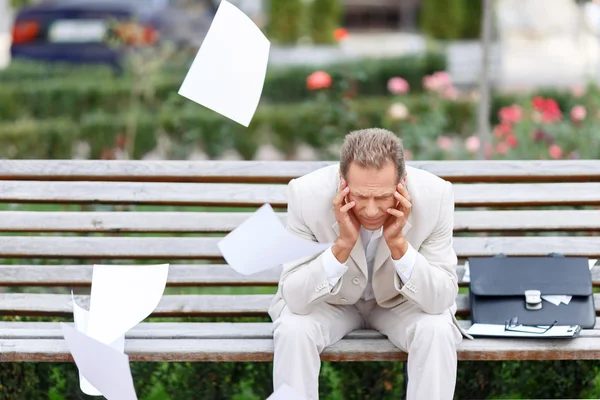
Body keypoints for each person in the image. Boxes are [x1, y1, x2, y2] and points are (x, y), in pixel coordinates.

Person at [268, 128, 471, 400]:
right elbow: (294, 297)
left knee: (436, 329)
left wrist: (399, 244)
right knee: (293, 328)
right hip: (332, 302)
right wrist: (342, 246)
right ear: (342, 180)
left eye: (383, 197)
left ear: (403, 182)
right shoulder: (306, 194)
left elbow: (440, 299)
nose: (372, 210)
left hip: (400, 302)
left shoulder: (436, 196)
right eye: (361, 197)